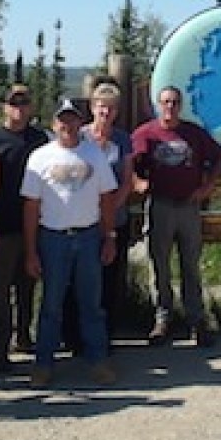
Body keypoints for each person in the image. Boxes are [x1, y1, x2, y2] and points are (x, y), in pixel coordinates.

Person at [22, 98, 119, 388]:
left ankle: (98, 361)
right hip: (52, 238)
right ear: (54, 124)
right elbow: (30, 206)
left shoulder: (95, 155)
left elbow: (107, 199)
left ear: (80, 122)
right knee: (51, 304)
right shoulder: (39, 158)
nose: (67, 125)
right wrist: (30, 251)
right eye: (62, 120)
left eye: (72, 119)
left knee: (91, 303)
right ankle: (43, 364)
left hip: (88, 237)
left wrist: (109, 237)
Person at [132, 85, 221, 348]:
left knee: (190, 266)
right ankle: (163, 319)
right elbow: (129, 162)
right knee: (159, 265)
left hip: (188, 207)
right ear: (158, 105)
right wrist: (137, 181)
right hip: (160, 205)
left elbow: (219, 156)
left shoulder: (193, 134)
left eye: (174, 102)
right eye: (165, 102)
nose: (170, 107)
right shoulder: (145, 134)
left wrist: (208, 187)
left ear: (180, 105)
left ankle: (196, 319)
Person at [0, 84, 49, 373]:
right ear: (4, 106)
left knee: (27, 287)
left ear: (31, 107)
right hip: (2, 227)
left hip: (33, 226)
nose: (19, 108)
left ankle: (24, 336)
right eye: (13, 103)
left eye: (24, 103)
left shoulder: (40, 140)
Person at [82, 81, 136, 341]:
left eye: (111, 109)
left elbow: (127, 179)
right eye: (101, 107)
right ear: (93, 108)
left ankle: (106, 335)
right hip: (84, 219)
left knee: (110, 278)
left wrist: (111, 207)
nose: (105, 113)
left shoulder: (123, 139)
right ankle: (77, 335)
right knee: (80, 279)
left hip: (115, 219)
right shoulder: (80, 136)